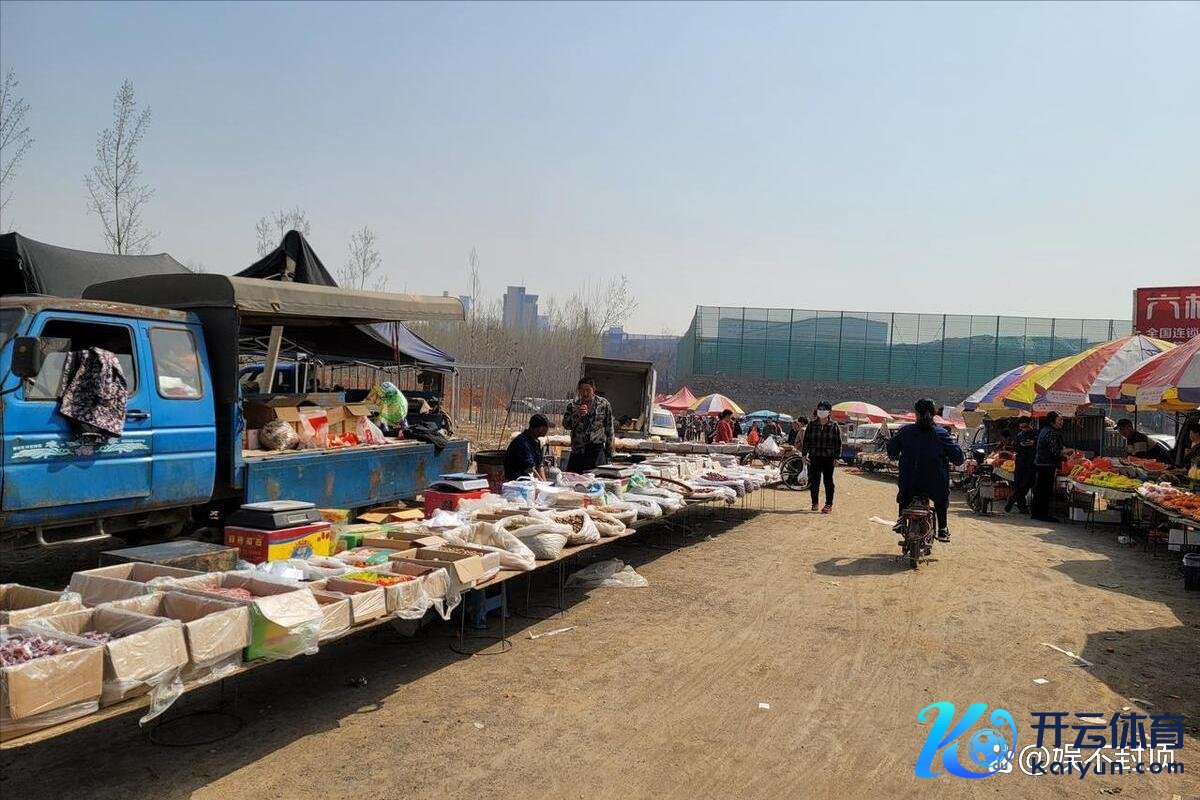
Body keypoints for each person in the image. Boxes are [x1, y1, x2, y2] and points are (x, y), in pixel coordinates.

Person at [887, 398, 964, 541]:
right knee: (941, 500)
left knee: (905, 493)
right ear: (934, 414)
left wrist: (895, 456)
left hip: (909, 482)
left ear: (916, 413)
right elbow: (958, 457)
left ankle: (901, 520)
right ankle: (942, 529)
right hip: (935, 484)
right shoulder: (941, 433)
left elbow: (891, 451)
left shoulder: (905, 431)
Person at [562, 378, 614, 472]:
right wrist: (578, 415)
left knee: (596, 478)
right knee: (573, 478)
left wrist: (609, 453)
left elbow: (609, 429)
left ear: (594, 389)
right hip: (578, 451)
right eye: (582, 390)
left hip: (596, 451)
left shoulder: (603, 404)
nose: (585, 393)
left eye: (588, 390)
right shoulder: (573, 405)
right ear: (578, 391)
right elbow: (566, 425)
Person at [802, 401, 841, 513]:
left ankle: (828, 504)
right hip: (815, 457)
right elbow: (806, 441)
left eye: (824, 409)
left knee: (828, 481)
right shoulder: (811, 425)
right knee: (814, 481)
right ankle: (815, 502)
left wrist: (837, 457)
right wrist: (804, 455)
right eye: (820, 409)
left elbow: (838, 443)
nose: (821, 411)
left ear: (829, 412)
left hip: (828, 458)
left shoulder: (834, 426)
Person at [1031, 411, 1065, 523]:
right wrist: (1065, 453)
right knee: (1045, 490)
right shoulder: (1051, 433)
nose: (1062, 422)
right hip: (1047, 464)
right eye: (1059, 420)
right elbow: (1055, 452)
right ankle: (1042, 514)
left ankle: (1036, 513)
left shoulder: (1044, 430)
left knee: (1039, 489)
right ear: (1052, 421)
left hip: (1041, 463)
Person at [1004, 417, 1037, 514]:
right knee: (1018, 485)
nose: (1024, 429)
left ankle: (1013, 498)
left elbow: (1041, 446)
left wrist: (1033, 443)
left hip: (1032, 462)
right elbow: (1015, 448)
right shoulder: (1019, 435)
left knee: (1027, 483)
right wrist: (1020, 446)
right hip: (1020, 462)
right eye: (1021, 427)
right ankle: (1022, 507)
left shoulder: (1037, 434)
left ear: (1030, 424)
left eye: (1025, 427)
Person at [504, 414, 550, 481]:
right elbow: (530, 469)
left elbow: (539, 465)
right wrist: (542, 484)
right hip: (517, 481)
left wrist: (544, 483)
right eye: (546, 427)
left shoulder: (536, 442)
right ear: (540, 428)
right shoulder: (522, 442)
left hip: (530, 480)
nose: (547, 430)